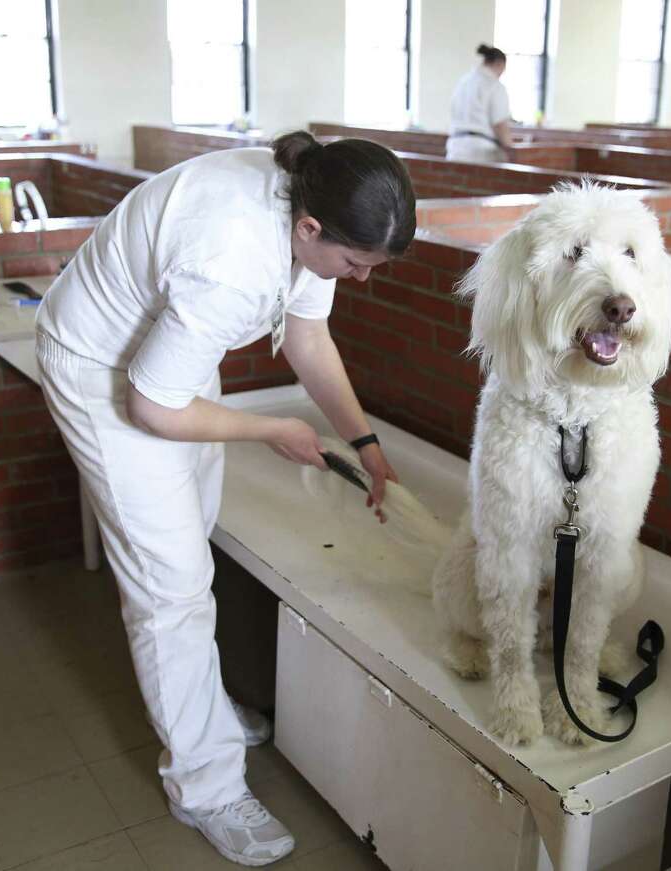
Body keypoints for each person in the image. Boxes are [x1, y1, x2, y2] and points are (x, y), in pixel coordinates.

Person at [34, 130, 415, 867]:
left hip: (165, 359)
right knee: (169, 587)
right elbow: (150, 407)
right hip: (100, 367)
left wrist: (364, 443)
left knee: (191, 537)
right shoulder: (233, 254)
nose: (362, 277)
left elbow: (307, 337)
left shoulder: (317, 205)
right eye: (356, 263)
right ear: (310, 230)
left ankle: (198, 704)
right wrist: (271, 427)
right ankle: (205, 786)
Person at [447, 43, 514, 162]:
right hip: (481, 151)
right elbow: (499, 124)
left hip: (455, 148)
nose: (500, 75)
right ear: (499, 64)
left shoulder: (464, 82)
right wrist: (511, 149)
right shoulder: (494, 85)